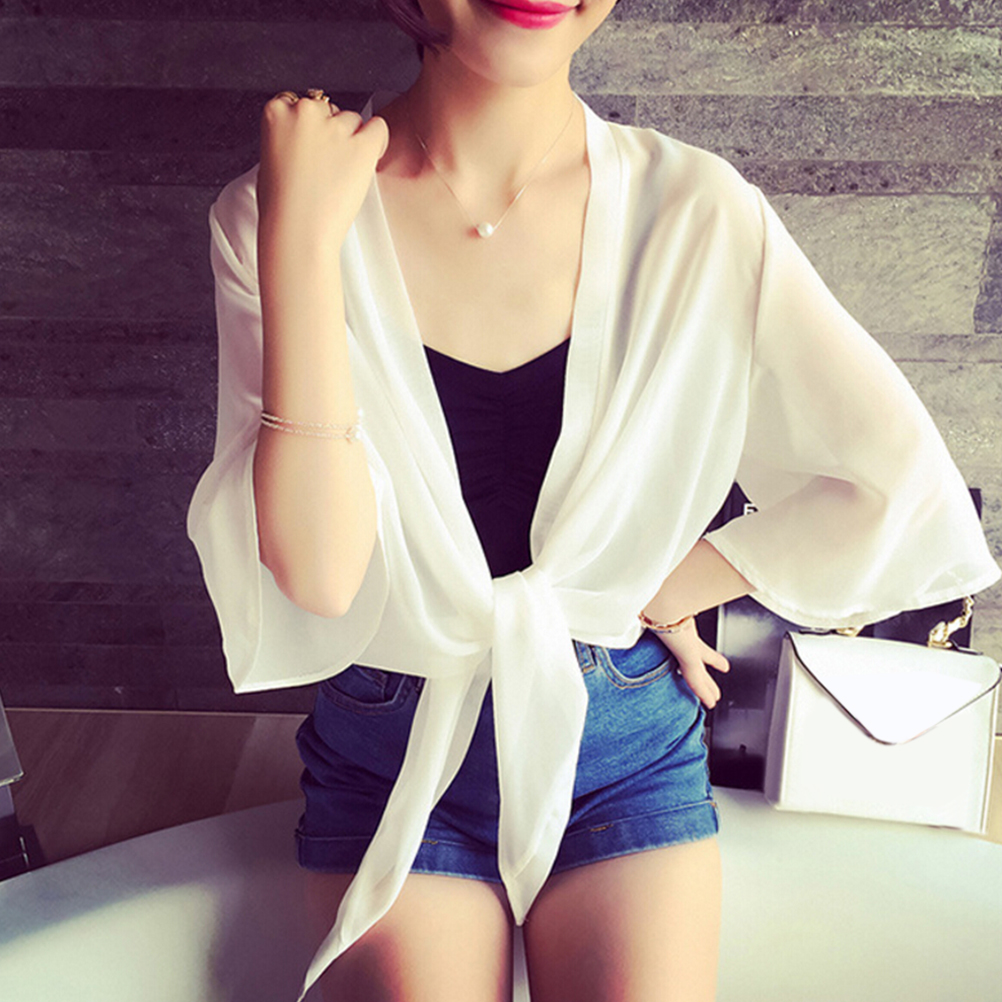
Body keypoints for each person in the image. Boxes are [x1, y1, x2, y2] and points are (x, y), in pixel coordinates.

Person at [186, 2, 1002, 1000]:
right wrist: (304, 242)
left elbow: (892, 485)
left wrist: (661, 587)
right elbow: (319, 573)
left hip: (623, 745)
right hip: (393, 751)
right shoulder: (275, 211)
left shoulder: (696, 210)